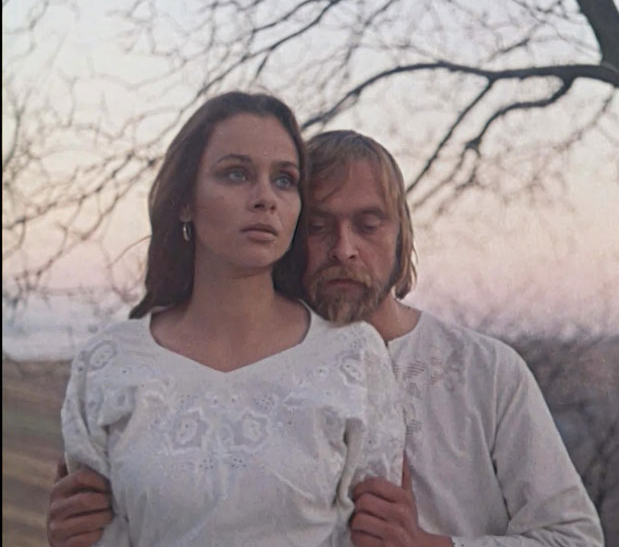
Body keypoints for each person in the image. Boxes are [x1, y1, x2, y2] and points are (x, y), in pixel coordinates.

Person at [48, 129, 605, 546]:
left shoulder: (487, 372)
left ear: (401, 237)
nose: (344, 249)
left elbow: (574, 537)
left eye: (368, 224)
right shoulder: (221, 372)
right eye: (318, 226)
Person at [56, 95, 405, 546]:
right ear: (185, 200)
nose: (265, 199)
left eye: (284, 180)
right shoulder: (109, 362)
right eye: (236, 174)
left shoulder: (352, 357)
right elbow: (89, 533)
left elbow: (377, 534)